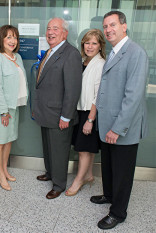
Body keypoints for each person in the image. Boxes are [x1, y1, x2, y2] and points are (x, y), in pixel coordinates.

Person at [91, 11, 149, 230]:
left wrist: (117, 128)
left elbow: (133, 97)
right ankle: (109, 195)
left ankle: (118, 212)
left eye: (112, 25)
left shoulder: (136, 53)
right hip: (107, 123)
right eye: (105, 26)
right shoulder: (114, 52)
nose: (108, 30)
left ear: (124, 26)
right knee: (109, 165)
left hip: (122, 126)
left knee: (122, 171)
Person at [33, 17, 82, 199]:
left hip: (59, 114)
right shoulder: (50, 51)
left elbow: (73, 89)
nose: (50, 32)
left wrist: (66, 116)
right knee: (48, 147)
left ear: (65, 33)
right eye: (48, 28)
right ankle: (51, 173)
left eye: (55, 28)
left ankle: (59, 183)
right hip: (45, 111)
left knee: (59, 150)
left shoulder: (71, 54)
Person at [66, 29, 106, 196]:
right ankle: (88, 175)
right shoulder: (84, 61)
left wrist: (90, 119)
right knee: (86, 148)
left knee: (83, 149)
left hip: (90, 112)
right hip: (80, 110)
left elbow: (99, 95)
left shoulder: (100, 64)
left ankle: (78, 181)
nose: (89, 46)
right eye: (87, 42)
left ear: (100, 46)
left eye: (94, 43)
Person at [0, 25, 28, 191]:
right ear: (1, 39)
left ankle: (4, 170)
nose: (12, 41)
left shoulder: (17, 57)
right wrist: (3, 111)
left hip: (14, 106)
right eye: (8, 37)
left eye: (15, 37)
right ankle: (0, 174)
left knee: (8, 140)